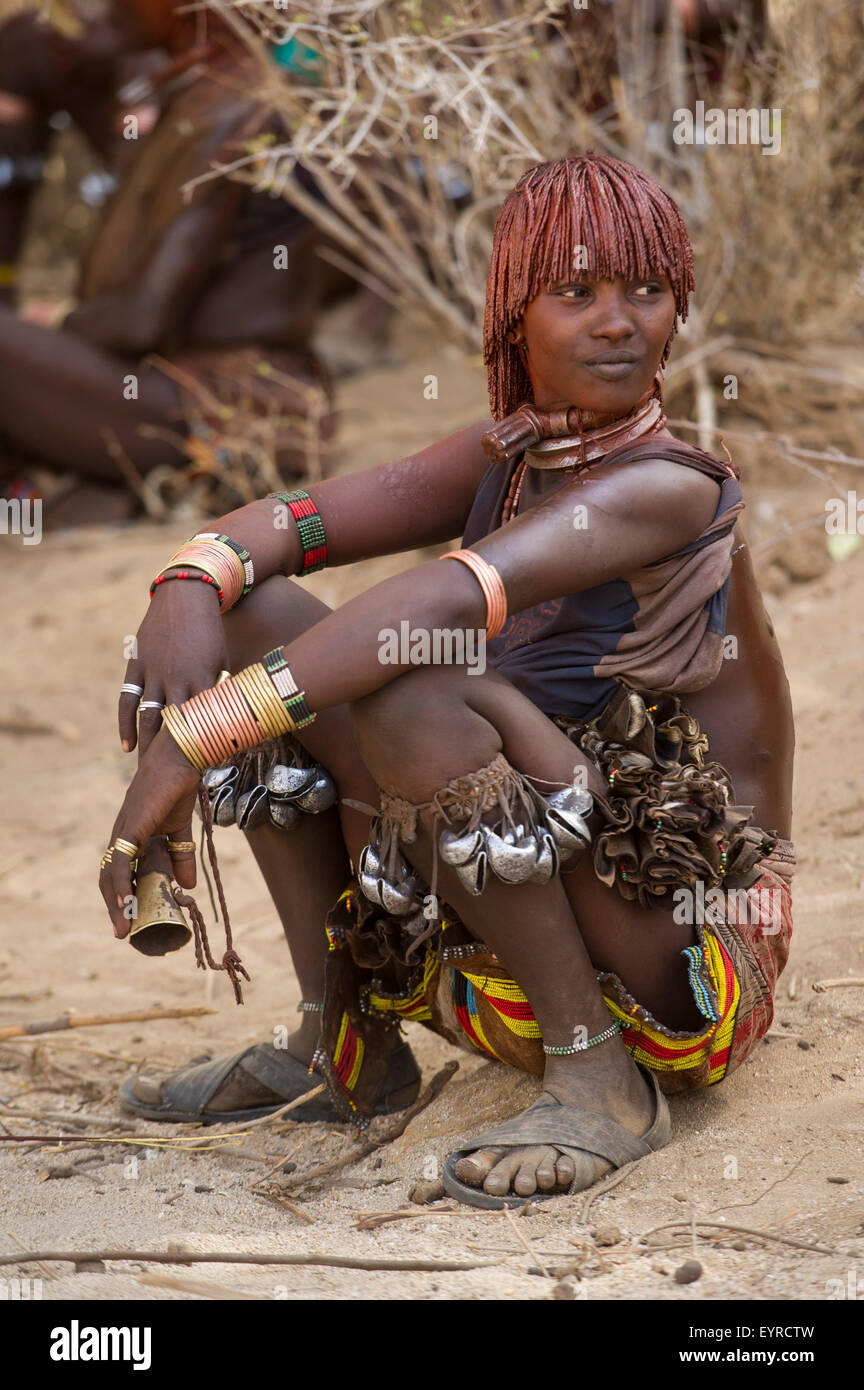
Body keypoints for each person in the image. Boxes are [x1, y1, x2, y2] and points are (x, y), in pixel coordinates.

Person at [99, 153, 794, 1206]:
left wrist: (191, 738)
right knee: (260, 615)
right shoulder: (513, 454)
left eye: (645, 291)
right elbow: (286, 526)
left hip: (684, 951)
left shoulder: (668, 487)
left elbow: (433, 609)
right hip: (546, 880)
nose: (618, 322)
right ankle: (344, 1045)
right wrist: (192, 581)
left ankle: (600, 1080)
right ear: (515, 313)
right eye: (576, 293)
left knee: (417, 682)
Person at [0, 0, 362, 526]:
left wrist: (57, 330)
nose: (98, 10)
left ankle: (100, 486)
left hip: (226, 408)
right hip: (198, 394)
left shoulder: (234, 111)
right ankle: (77, 492)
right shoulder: (208, 95)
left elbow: (144, 320)